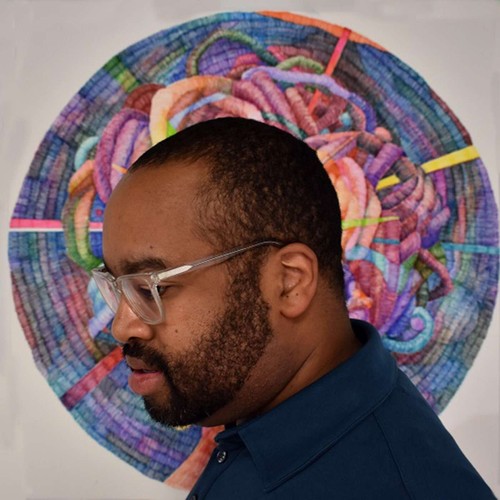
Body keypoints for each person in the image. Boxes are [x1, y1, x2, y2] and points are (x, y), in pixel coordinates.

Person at [93, 117, 495, 499]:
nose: (123, 326)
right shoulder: (258, 406)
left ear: (290, 282)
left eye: (154, 286)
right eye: (115, 285)